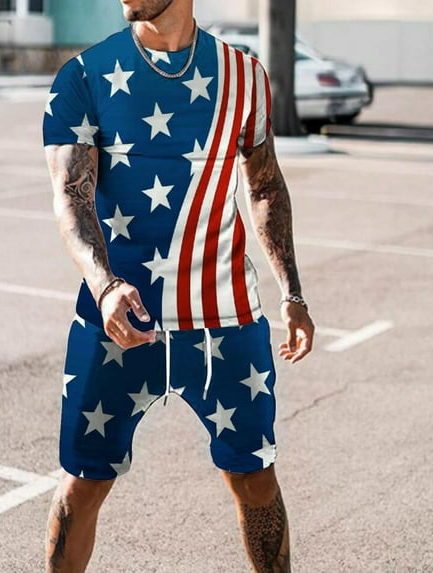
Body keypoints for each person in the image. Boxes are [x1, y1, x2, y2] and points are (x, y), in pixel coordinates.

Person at [42, 1, 315, 571]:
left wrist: (291, 293)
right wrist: (105, 286)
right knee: (83, 483)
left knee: (255, 477)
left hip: (224, 315)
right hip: (118, 317)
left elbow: (264, 186)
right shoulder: (83, 76)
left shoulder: (244, 76)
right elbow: (71, 196)